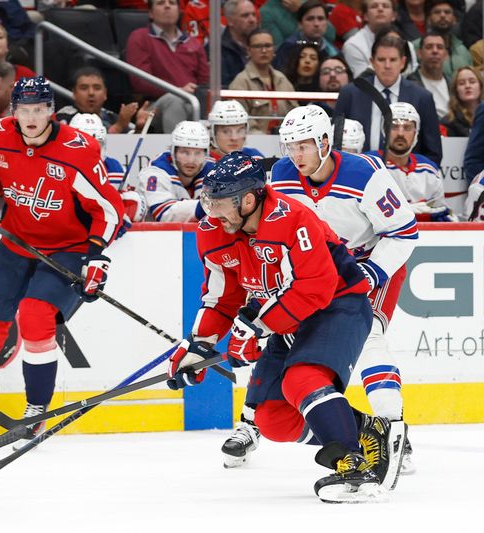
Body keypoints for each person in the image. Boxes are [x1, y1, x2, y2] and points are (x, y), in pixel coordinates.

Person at [167, 151, 406, 503]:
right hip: (284, 315)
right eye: (208, 202)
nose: (211, 212)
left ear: (247, 200)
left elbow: (317, 287)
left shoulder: (294, 219)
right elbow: (221, 297)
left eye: (218, 204)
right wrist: (198, 345)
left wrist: (259, 326)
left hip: (338, 307)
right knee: (273, 419)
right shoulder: (214, 231)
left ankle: (354, 467)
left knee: (302, 379)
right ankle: (369, 430)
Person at [0, 76, 124, 446]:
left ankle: (37, 411)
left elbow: (108, 208)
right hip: (17, 243)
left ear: (51, 111)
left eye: (39, 110)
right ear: (13, 112)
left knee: (35, 318)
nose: (32, 119)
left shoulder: (77, 150)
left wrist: (97, 255)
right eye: (24, 111)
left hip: (66, 248)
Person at [262, 105, 416, 475]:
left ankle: (393, 427)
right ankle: (355, 429)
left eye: (303, 146)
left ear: (324, 142)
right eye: (289, 147)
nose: (295, 155)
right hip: (318, 276)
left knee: (369, 337)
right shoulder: (281, 175)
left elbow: (404, 232)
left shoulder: (365, 173)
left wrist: (371, 271)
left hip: (371, 265)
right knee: (293, 352)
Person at [334, 32, 442, 164]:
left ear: (402, 62)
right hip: (359, 174)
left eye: (393, 60)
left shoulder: (422, 97)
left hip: (406, 178)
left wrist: (415, 177)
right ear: (372, 62)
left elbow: (433, 152)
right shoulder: (351, 93)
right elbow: (336, 143)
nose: (387, 66)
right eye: (381, 60)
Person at [125, 0, 209, 132]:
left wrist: (194, 91)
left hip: (192, 102)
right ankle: (179, 150)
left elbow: (204, 81)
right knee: (174, 100)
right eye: (160, 3)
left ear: (179, 11)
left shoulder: (193, 43)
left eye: (172, 3)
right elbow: (140, 81)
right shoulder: (139, 37)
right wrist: (178, 90)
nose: (167, 6)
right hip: (154, 106)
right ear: (151, 13)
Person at [365, 102, 454, 222]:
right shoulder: (368, 165)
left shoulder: (429, 169)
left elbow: (439, 211)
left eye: (407, 127)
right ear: (384, 130)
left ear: (416, 132)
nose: (400, 133)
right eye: (394, 127)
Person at [68, 112, 147, 226]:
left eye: (96, 145)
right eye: (83, 146)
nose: (90, 152)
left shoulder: (115, 168)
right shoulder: (56, 168)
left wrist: (124, 205)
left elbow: (135, 206)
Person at [137, 120, 213, 222]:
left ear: (206, 154)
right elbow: (164, 213)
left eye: (198, 153)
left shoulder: (213, 171)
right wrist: (210, 205)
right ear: (173, 152)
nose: (191, 160)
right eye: (184, 152)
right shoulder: (155, 172)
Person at [229, 28, 298, 134]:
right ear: (248, 50)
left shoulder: (282, 79)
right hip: (253, 141)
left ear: (274, 49)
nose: (264, 50)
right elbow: (239, 121)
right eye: (258, 46)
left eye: (268, 46)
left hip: (286, 140)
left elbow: (295, 113)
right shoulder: (241, 82)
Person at [56, 66, 150, 134]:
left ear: (105, 94)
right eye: (84, 88)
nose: (91, 93)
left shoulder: (111, 116)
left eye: (97, 88)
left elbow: (129, 150)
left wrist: (139, 129)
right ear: (74, 93)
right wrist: (118, 127)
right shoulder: (63, 116)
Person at [273, 1, 339, 71]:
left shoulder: (333, 51)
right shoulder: (288, 48)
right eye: (310, 19)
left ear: (326, 23)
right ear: (300, 24)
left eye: (320, 19)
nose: (316, 24)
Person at [342, 0, 397, 77]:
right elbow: (363, 82)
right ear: (365, 16)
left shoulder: (406, 44)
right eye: (374, 6)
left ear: (394, 15)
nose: (380, 9)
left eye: (385, 6)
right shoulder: (353, 45)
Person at [407, 31, 450, 119]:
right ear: (419, 53)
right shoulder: (410, 85)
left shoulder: (452, 83)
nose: (435, 51)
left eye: (440, 47)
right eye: (429, 47)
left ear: (446, 55)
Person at [261, 0, 338, 47]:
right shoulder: (266, 12)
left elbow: (331, 36)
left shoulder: (306, 2)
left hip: (323, 53)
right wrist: (301, 13)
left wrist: (301, 8)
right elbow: (279, 51)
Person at [221, 0, 259, 88]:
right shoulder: (218, 50)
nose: (252, 20)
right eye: (245, 16)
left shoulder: (264, 44)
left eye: (254, 14)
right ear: (230, 21)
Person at [441, 66, 484, 137]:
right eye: (462, 83)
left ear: (481, 87)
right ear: (456, 90)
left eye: (472, 82)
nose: (467, 86)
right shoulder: (447, 123)